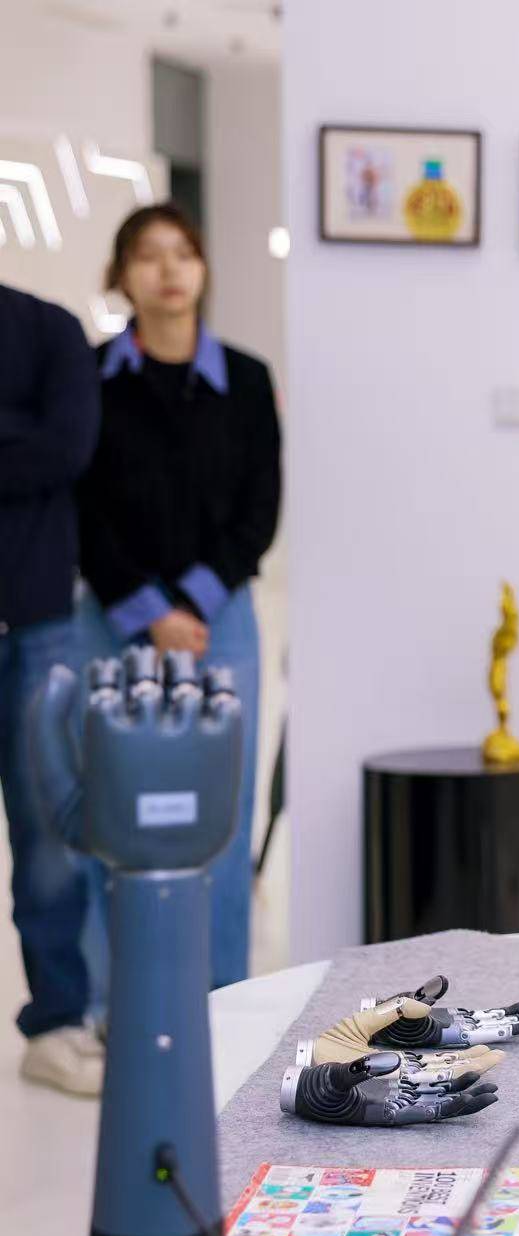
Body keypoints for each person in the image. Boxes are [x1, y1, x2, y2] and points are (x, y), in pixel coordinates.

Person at [75, 204, 282, 994]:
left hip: (217, 619)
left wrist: (188, 606)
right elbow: (79, 507)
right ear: (121, 275)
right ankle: (113, 1004)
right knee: (110, 810)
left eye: (184, 253)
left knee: (219, 815)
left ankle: (225, 999)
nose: (169, 270)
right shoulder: (90, 377)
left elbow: (258, 510)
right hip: (113, 617)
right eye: (148, 255)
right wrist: (147, 612)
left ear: (202, 270)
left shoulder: (248, 379)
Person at [0, 282, 102, 1095]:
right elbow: (36, 450)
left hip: (37, 623)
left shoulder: (49, 330)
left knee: (48, 836)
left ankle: (59, 1022)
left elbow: (67, 448)